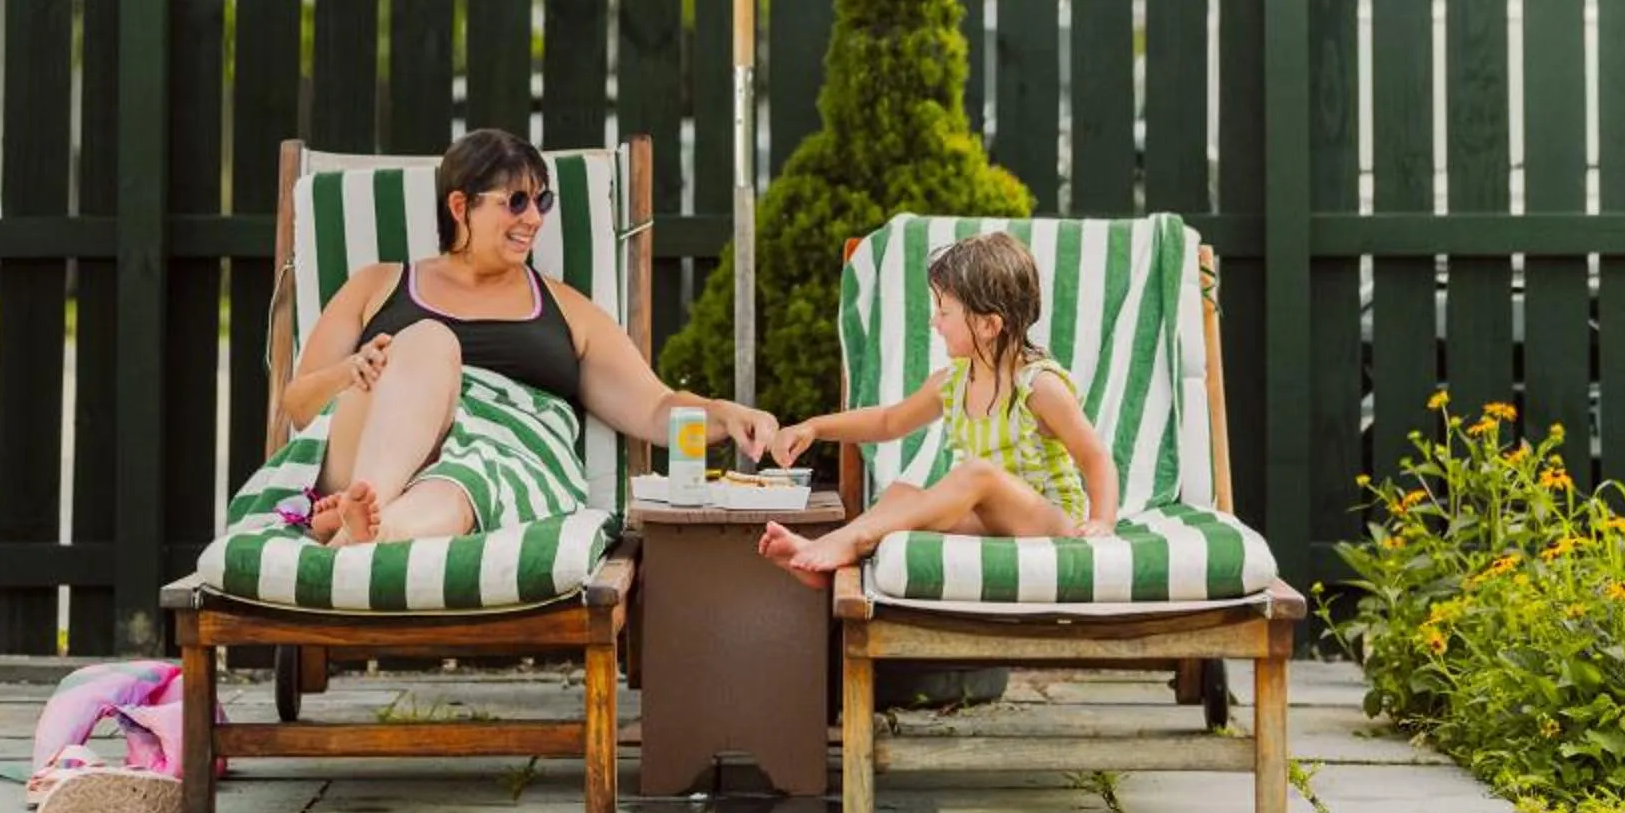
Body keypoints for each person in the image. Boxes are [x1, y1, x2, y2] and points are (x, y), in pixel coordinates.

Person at [282, 126, 776, 545]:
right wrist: (352, 370)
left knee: (462, 489)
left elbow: (652, 406)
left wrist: (723, 413)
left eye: (542, 200)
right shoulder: (377, 285)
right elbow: (300, 406)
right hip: (373, 445)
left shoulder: (567, 309)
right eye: (516, 201)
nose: (534, 218)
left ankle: (367, 532)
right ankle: (368, 501)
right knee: (430, 340)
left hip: (491, 467)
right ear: (460, 206)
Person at [757, 229, 1118, 585]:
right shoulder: (953, 381)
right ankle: (834, 563)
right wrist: (815, 428)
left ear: (990, 324)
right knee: (901, 494)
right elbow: (888, 421)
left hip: (1050, 519)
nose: (934, 322)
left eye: (944, 312)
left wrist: (1102, 522)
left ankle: (848, 541)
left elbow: (1095, 457)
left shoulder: (1039, 386)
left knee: (977, 473)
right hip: (990, 519)